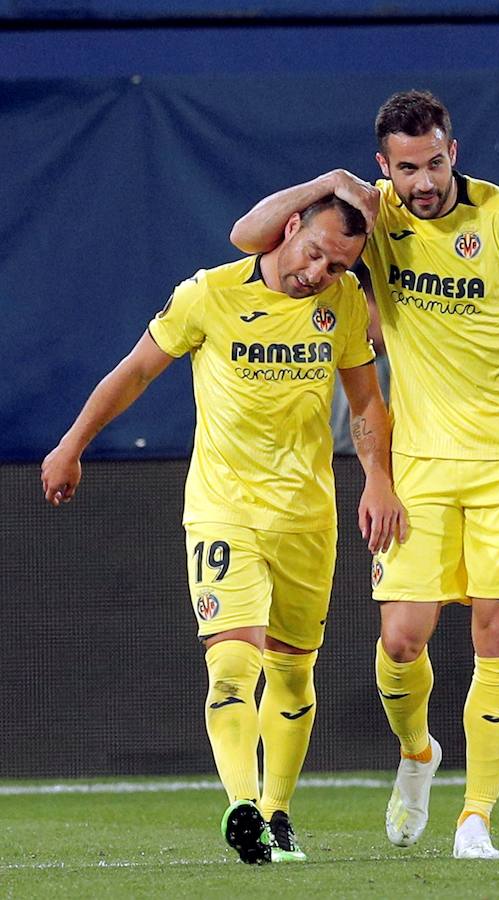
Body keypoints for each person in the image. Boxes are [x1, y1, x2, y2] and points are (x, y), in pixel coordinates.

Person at [229, 88, 499, 860]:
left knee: (497, 633)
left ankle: (477, 819)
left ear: (452, 153)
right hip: (420, 463)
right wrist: (327, 185)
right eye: (407, 168)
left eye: (434, 163)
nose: (424, 182)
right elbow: (249, 237)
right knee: (401, 641)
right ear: (384, 168)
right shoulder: (375, 220)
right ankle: (418, 753)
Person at [41, 195, 407, 865]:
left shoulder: (345, 303)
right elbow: (135, 373)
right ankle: (244, 806)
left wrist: (377, 479)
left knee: (294, 675)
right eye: (315, 252)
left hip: (308, 515)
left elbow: (365, 403)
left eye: (338, 264)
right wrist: (72, 444)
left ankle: (277, 811)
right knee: (232, 662)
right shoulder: (208, 293)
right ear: (289, 228)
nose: (319, 271)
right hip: (224, 509)